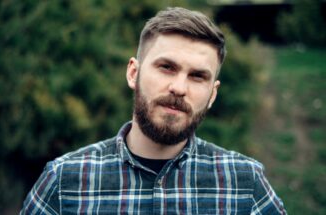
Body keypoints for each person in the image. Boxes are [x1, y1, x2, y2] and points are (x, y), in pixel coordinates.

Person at [20, 7, 286, 214]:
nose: (179, 88)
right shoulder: (64, 181)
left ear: (212, 94)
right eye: (166, 67)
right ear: (133, 73)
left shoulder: (245, 184)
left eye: (197, 76)